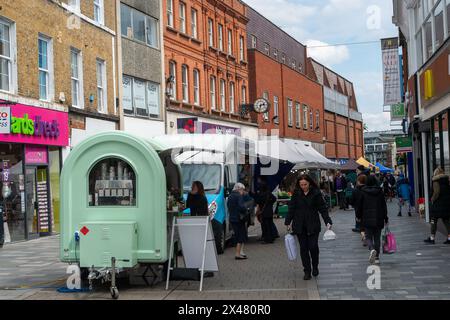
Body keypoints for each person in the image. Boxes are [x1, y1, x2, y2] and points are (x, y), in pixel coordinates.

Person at [285, 175, 333, 280]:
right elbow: (291, 208)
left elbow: (322, 208)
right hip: (299, 225)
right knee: (304, 249)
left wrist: (327, 221)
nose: (303, 187)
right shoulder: (296, 194)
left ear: (309, 183)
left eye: (305, 184)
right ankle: (307, 271)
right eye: (301, 185)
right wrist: (288, 222)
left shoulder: (316, 193)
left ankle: (315, 266)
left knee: (313, 247)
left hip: (313, 224)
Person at [356, 175, 389, 265]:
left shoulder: (363, 192)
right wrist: (386, 217)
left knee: (368, 237)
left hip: (367, 218)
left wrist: (358, 216)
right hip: (378, 218)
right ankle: (377, 257)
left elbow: (360, 206)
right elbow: (384, 206)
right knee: (377, 238)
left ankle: (371, 248)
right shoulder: (380, 192)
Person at [424, 167, 450, 245]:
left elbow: (436, 192)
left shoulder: (436, 181)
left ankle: (432, 238)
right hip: (446, 204)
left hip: (438, 205)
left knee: (433, 220)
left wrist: (432, 199)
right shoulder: (447, 181)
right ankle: (449, 238)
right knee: (447, 221)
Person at [227, 183, 249, 259]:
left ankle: (240, 252)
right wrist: (246, 208)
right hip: (239, 219)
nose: (243, 191)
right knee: (241, 236)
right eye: (242, 189)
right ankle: (238, 254)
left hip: (232, 218)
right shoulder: (238, 196)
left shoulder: (230, 196)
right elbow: (241, 207)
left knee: (237, 235)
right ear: (239, 189)